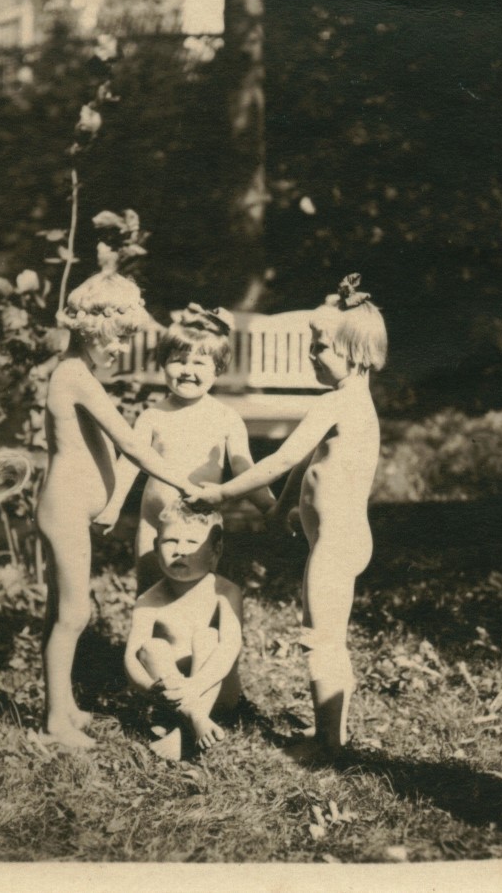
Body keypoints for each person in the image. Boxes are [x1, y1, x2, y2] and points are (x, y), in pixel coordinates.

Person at [189, 273, 387, 760]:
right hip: (339, 540)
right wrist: (281, 508)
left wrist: (223, 494)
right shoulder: (356, 404)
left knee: (320, 640)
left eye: (319, 346)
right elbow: (306, 464)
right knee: (326, 635)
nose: (312, 356)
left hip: (337, 543)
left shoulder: (337, 402)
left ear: (352, 350)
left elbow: (280, 458)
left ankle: (329, 743)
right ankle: (331, 735)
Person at [36, 269, 198, 749]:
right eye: (119, 339)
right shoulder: (73, 376)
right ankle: (53, 724)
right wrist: (183, 481)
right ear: (94, 329)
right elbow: (131, 443)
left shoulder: (79, 372)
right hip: (63, 508)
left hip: (68, 508)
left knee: (60, 611)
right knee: (73, 613)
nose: (121, 349)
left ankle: (62, 704)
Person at [94, 304, 274, 592]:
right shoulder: (153, 416)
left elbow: (243, 467)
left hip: (200, 527)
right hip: (155, 522)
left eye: (199, 364)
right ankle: (147, 636)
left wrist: (270, 507)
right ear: (163, 363)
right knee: (150, 588)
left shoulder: (227, 418)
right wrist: (113, 506)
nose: (188, 371)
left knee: (197, 593)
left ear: (218, 369)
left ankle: (192, 636)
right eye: (178, 360)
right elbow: (129, 463)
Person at [124, 500, 243, 761]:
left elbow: (230, 648)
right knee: (151, 648)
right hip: (169, 695)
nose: (180, 551)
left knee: (208, 637)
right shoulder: (149, 599)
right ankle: (193, 720)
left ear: (216, 550)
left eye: (192, 543)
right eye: (170, 541)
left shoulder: (224, 592)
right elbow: (132, 655)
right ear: (155, 547)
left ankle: (187, 726)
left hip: (217, 688)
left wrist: (194, 686)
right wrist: (149, 687)